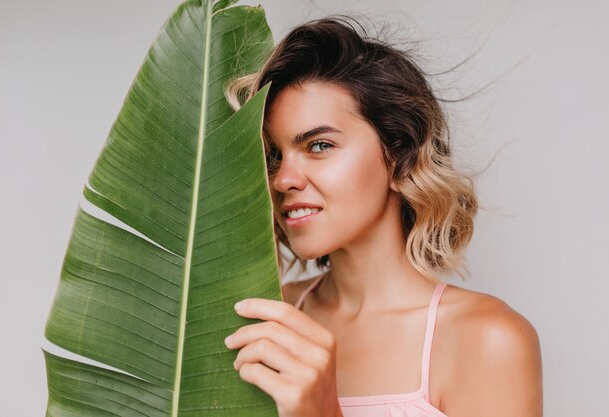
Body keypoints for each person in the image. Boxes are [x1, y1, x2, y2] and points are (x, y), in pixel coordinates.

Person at [222, 16, 543, 417]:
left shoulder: (487, 339)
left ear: (398, 156)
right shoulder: (265, 319)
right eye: (273, 155)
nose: (284, 178)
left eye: (319, 146)